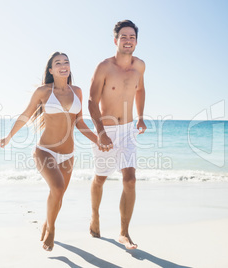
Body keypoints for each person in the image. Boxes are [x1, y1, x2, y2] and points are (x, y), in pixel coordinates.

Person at [0, 52, 97, 251]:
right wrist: (9, 136)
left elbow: (80, 123)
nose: (63, 65)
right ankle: (51, 229)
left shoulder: (77, 91)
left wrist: (99, 140)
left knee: (58, 195)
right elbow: (26, 115)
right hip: (45, 151)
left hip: (68, 154)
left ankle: (47, 222)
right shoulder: (44, 91)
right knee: (58, 189)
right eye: (58, 63)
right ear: (51, 70)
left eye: (66, 62)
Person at [88, 20, 147, 250]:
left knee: (130, 180)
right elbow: (92, 101)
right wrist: (101, 133)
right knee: (100, 178)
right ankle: (94, 216)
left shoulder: (140, 66)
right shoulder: (104, 66)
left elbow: (140, 89)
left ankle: (124, 233)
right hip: (107, 129)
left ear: (136, 41)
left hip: (128, 130)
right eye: (124, 36)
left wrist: (140, 116)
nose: (128, 40)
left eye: (132, 37)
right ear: (116, 40)